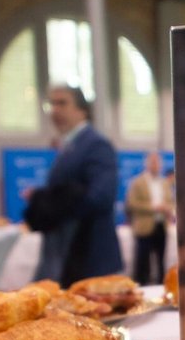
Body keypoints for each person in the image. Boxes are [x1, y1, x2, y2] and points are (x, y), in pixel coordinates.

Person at [25, 85, 122, 283]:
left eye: (62, 103)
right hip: (67, 253)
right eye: (52, 104)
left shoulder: (95, 144)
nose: (55, 110)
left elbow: (101, 196)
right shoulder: (70, 146)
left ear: (82, 110)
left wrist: (51, 202)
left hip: (88, 255)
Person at [125, 150, 171, 285]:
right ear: (147, 164)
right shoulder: (137, 182)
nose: (156, 165)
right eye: (153, 162)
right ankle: (141, 286)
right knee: (142, 261)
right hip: (144, 227)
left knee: (161, 260)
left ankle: (161, 286)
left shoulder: (165, 183)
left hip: (161, 225)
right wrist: (154, 207)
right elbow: (132, 203)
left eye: (158, 162)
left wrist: (168, 208)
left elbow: (171, 201)